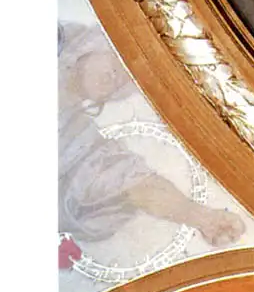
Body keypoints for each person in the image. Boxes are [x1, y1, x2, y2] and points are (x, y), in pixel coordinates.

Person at [59, 23, 242, 255]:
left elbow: (135, 182)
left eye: (124, 82)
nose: (115, 78)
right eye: (115, 62)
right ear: (92, 45)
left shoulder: (81, 142)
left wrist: (201, 217)